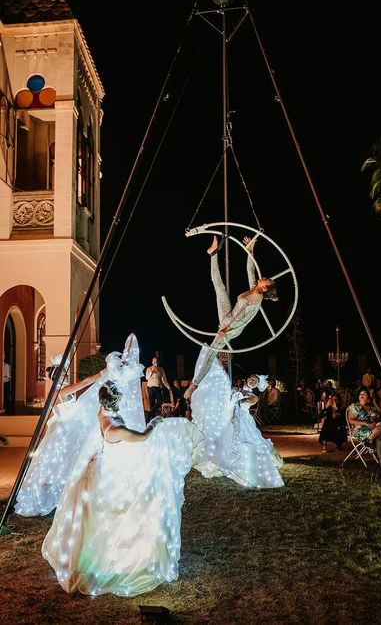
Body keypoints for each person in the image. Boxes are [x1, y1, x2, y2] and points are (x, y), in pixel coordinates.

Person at [42, 376, 201, 597]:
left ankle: (97, 555)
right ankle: (111, 559)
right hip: (105, 474)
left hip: (101, 464)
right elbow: (143, 437)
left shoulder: (103, 411)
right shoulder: (114, 429)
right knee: (115, 512)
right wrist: (155, 421)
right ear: (115, 401)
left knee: (97, 517)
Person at [14, 335, 143, 517]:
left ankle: (61, 491)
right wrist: (103, 373)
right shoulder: (62, 390)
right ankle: (60, 493)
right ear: (58, 376)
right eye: (65, 373)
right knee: (65, 461)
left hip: (63, 427)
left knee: (61, 463)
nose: (67, 375)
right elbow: (84, 383)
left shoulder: (55, 391)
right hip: (65, 430)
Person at [184, 235, 278, 400]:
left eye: (267, 280)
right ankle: (213, 254)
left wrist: (225, 330)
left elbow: (242, 319)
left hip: (232, 327)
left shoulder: (256, 299)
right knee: (219, 287)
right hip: (229, 315)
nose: (265, 277)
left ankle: (195, 384)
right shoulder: (255, 289)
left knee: (211, 351)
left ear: (265, 288)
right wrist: (250, 250)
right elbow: (250, 270)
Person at [191, 346, 284, 488]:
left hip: (243, 420)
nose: (251, 381)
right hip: (232, 416)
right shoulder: (237, 389)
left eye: (254, 381)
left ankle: (242, 460)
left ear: (257, 385)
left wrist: (239, 397)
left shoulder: (252, 396)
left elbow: (245, 401)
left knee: (244, 440)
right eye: (251, 379)